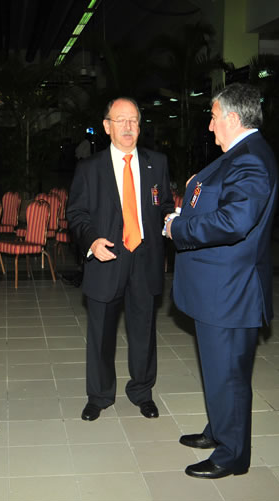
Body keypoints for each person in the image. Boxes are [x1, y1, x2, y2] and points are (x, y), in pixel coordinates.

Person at [165, 83, 278, 479]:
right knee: (217, 369)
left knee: (229, 374)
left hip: (230, 292)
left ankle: (232, 455)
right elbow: (216, 198)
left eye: (213, 118)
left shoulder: (250, 160)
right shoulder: (238, 156)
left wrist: (180, 227)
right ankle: (220, 430)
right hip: (217, 289)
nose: (210, 127)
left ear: (231, 118)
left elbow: (235, 221)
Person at [67, 97, 174, 422]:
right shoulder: (90, 168)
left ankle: (142, 391)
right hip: (106, 259)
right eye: (120, 120)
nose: (128, 127)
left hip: (145, 259)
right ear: (107, 126)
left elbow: (165, 204)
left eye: (133, 120)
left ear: (139, 126)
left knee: (144, 331)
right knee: (101, 334)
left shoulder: (157, 162)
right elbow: (76, 213)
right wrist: (91, 240)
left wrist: (172, 221)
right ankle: (99, 395)